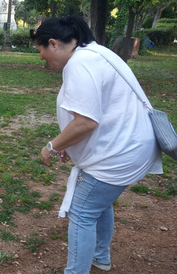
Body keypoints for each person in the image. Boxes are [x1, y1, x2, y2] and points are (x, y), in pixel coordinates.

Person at [30, 15, 162, 273]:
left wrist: (52, 146)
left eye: (40, 50)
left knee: (81, 213)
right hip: (131, 148)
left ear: (54, 43)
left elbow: (86, 122)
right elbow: (98, 114)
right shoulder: (97, 53)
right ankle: (100, 256)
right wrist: (72, 143)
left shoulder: (79, 64)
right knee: (98, 204)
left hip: (120, 155)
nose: (40, 57)